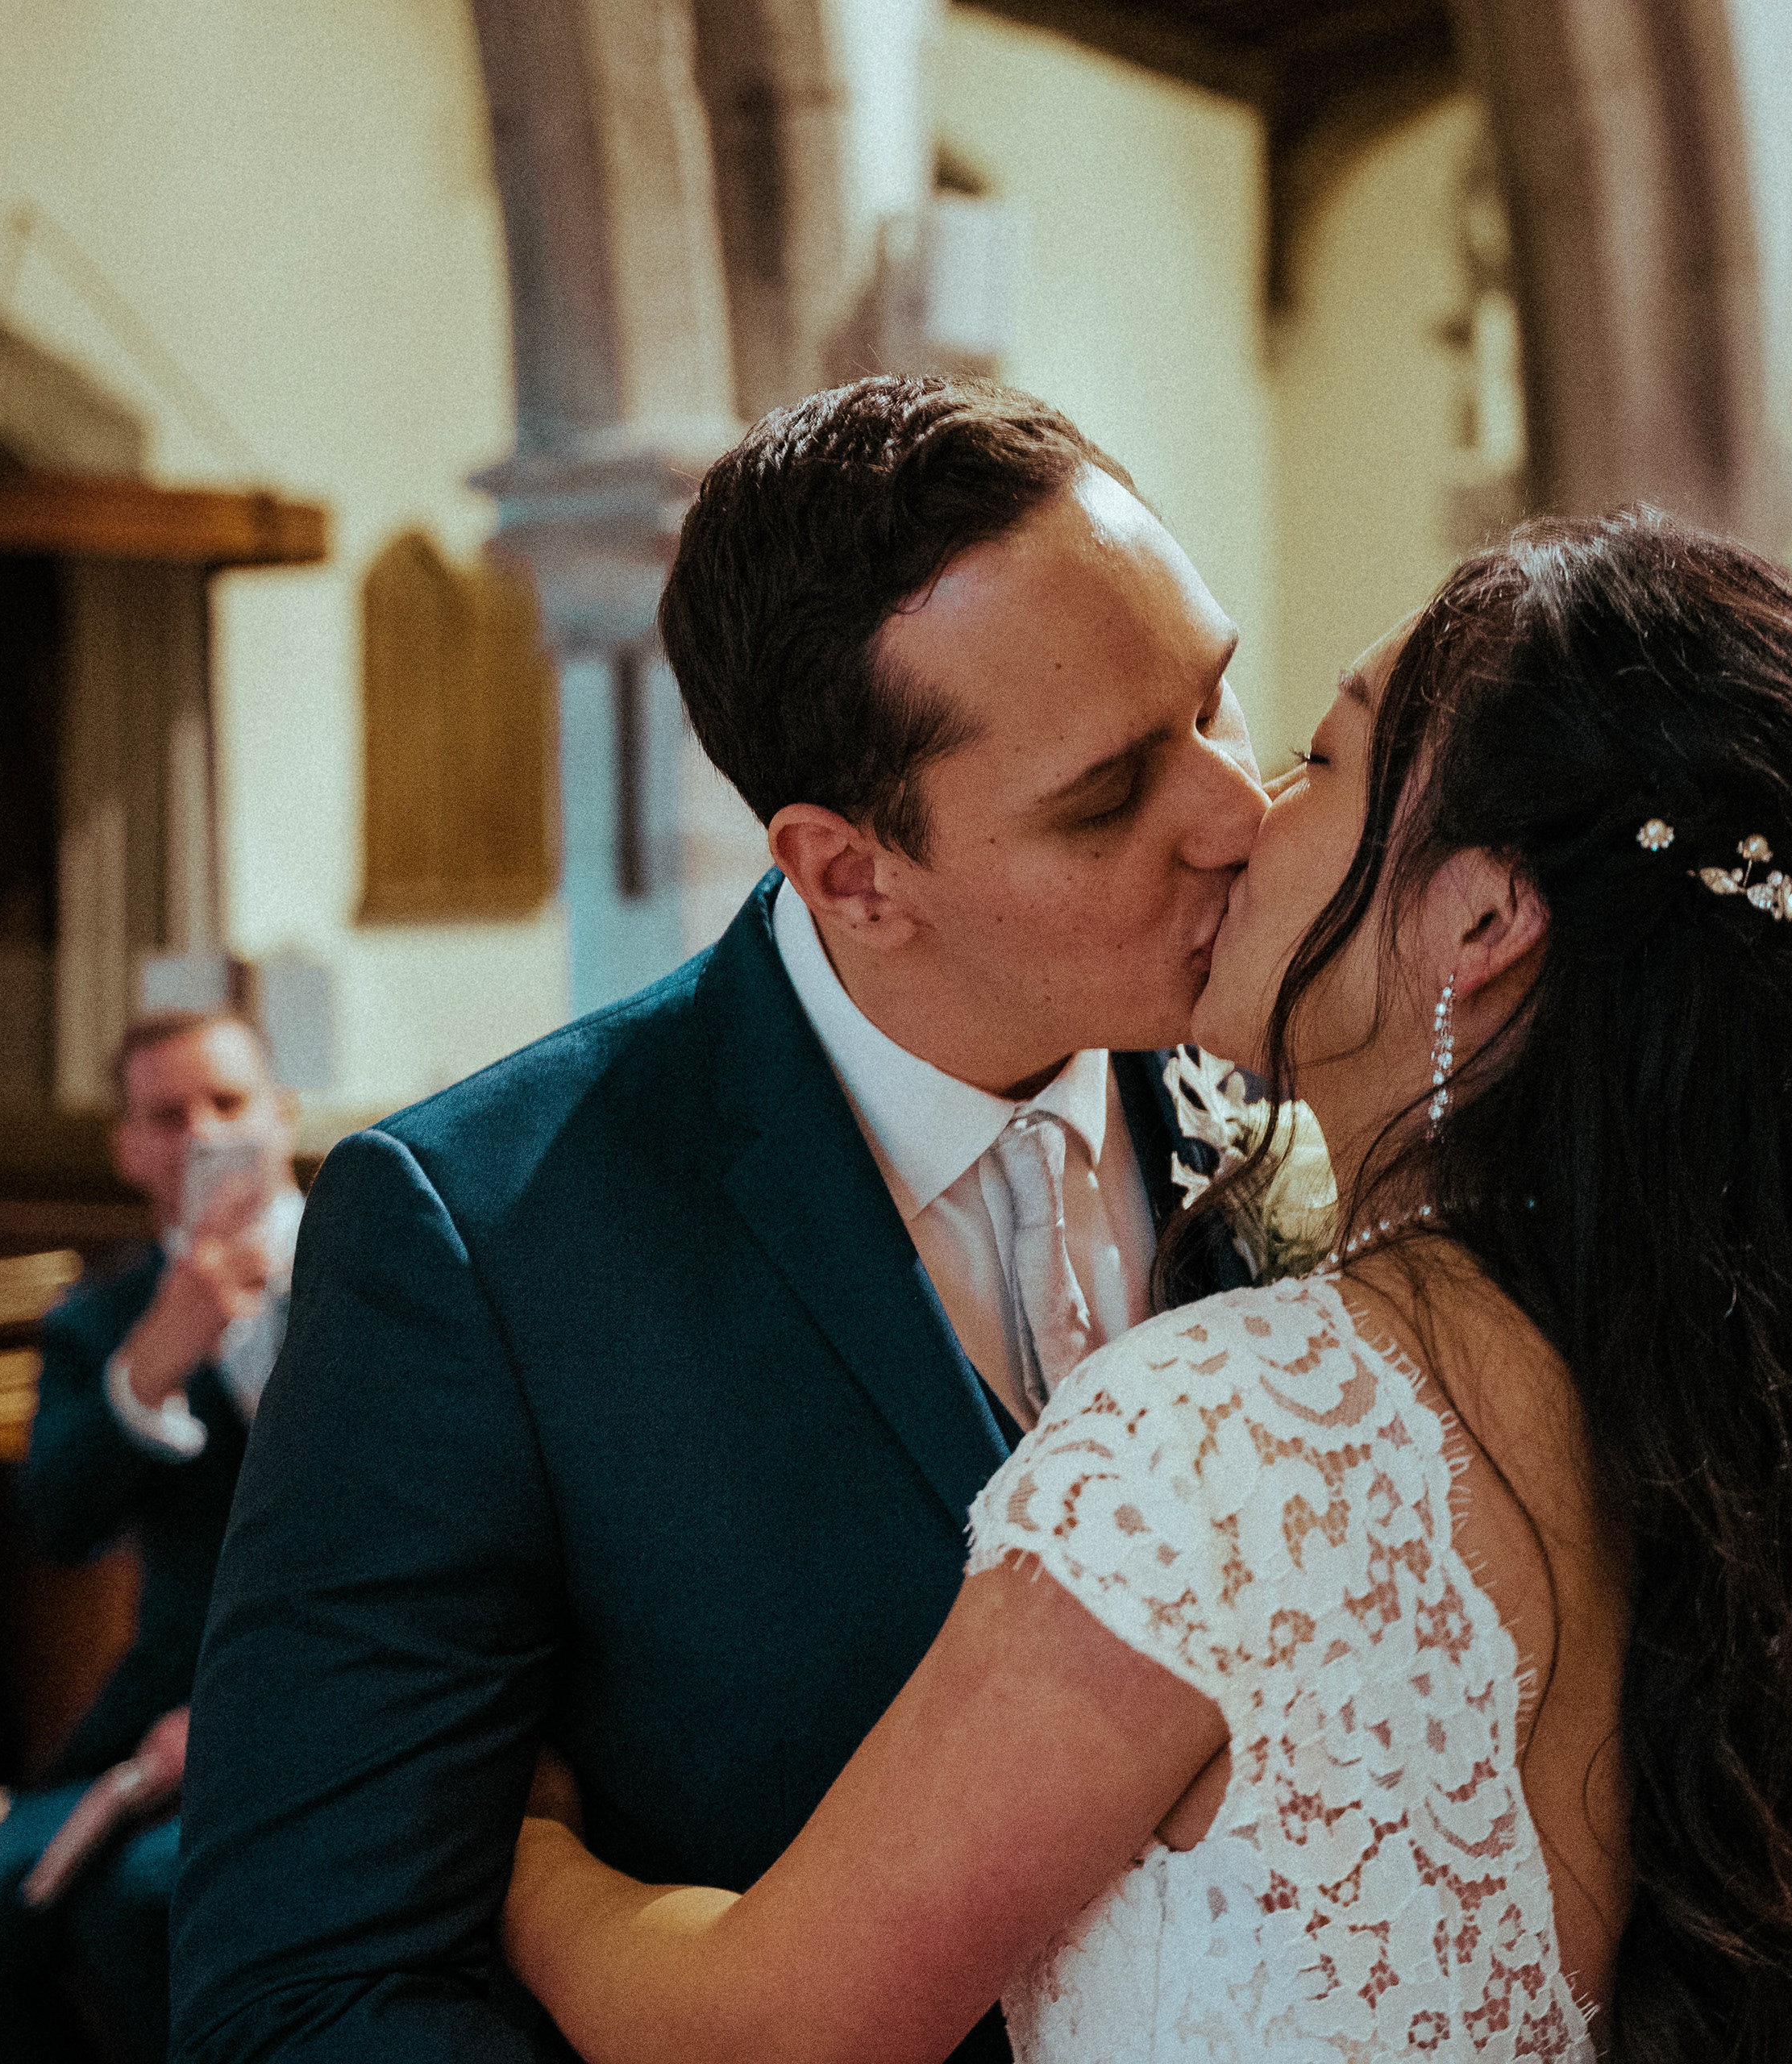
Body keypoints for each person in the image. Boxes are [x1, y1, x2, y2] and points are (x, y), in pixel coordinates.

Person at [494, 509, 1792, 2060]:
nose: (1244, 810)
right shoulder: (1726, 1401)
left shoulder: (1237, 1432)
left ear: (1482, 915)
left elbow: (762, 2037)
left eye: (1322, 761)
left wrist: (525, 1857)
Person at [173, 377, 1270, 2064]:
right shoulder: (486, 1237)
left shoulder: (1301, 1101)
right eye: (1111, 792)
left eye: (1218, 699)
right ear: (849, 873)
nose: (1235, 813)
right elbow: (309, 1993)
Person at [0, 1009, 298, 2064]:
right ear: (124, 1148)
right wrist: (153, 1361)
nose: (200, 1136)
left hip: (335, 1701)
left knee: (144, 1904)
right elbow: (59, 1526)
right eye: (165, 1115)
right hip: (157, 1704)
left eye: (227, 1104)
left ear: (283, 1116)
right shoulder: (99, 1319)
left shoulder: (380, 1266)